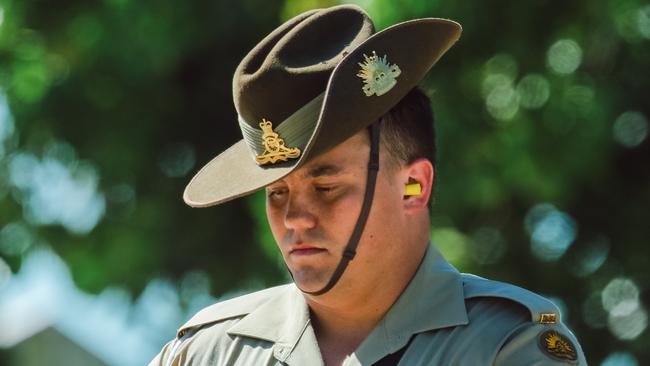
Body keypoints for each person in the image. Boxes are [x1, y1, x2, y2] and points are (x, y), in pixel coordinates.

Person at [150, 5, 586, 366]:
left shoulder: (506, 346)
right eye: (276, 192)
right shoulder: (209, 352)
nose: (294, 218)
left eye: (326, 187)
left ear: (413, 186)